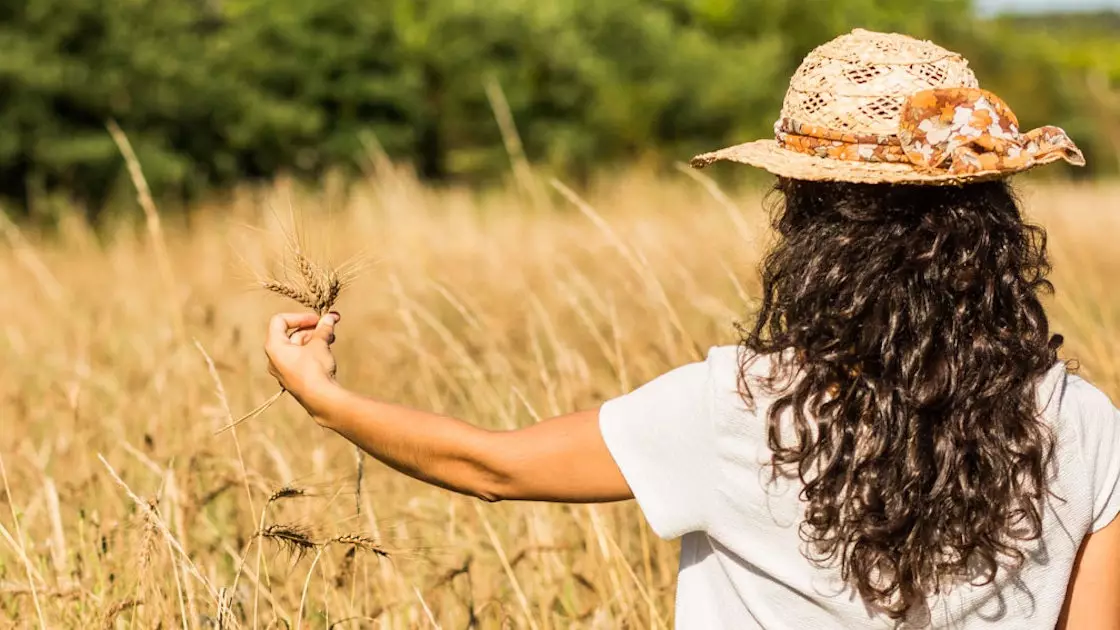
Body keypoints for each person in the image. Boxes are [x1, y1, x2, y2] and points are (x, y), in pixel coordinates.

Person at [263, 30, 1120, 629]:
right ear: (991, 229)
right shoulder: (1087, 426)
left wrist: (323, 398)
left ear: (815, 229)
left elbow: (491, 466)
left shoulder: (739, 407)